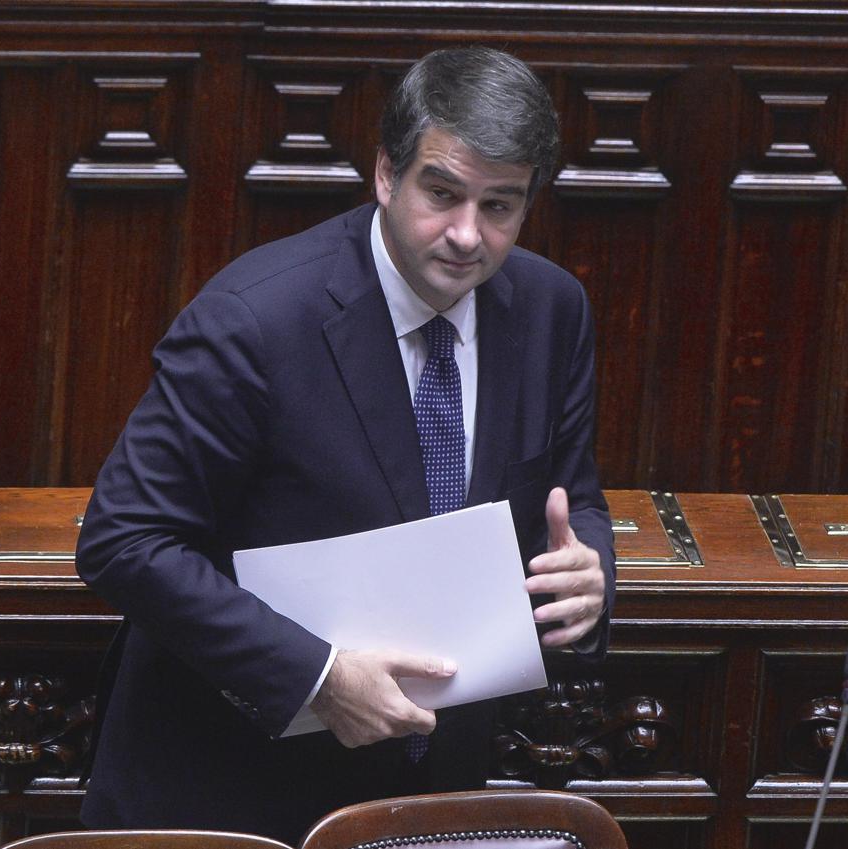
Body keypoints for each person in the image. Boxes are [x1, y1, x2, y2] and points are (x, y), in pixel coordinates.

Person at [76, 46, 615, 844]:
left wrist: (588, 578)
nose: (467, 235)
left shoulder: (551, 311)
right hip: (230, 797)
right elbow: (123, 540)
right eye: (442, 193)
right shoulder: (255, 321)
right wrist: (319, 677)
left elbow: (574, 501)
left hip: (431, 800)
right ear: (387, 174)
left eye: (499, 205)